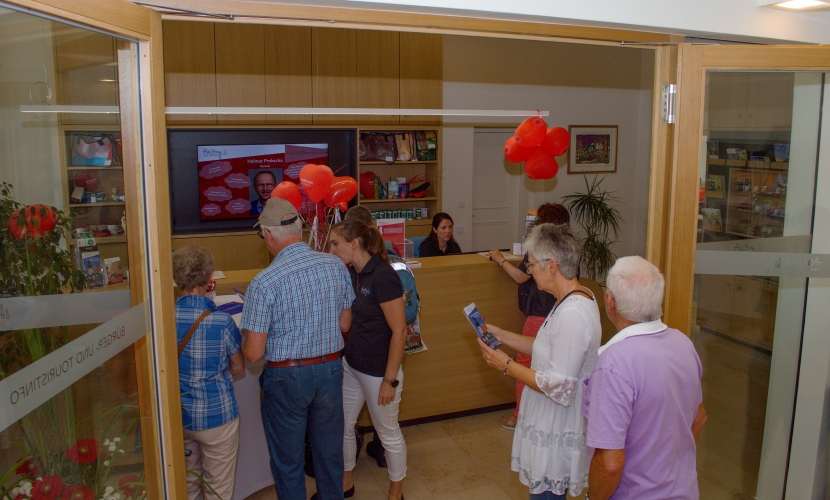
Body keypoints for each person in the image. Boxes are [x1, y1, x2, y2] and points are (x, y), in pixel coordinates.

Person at [240, 198, 355, 500]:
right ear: (299, 229)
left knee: (288, 463)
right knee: (329, 457)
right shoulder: (335, 265)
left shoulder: (264, 282)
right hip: (330, 371)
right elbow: (345, 324)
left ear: (268, 235)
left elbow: (252, 354)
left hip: (286, 378)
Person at [478, 223, 600, 499]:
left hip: (557, 427)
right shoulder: (565, 300)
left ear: (552, 265)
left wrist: (507, 366)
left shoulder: (572, 313)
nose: (529, 270)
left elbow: (560, 386)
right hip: (549, 420)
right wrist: (502, 335)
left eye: (532, 264)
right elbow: (545, 348)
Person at [583, 256, 707, 500]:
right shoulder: (683, 343)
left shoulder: (613, 363)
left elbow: (610, 464)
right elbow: (699, 418)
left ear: (610, 303)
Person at [328, 219, 408, 500]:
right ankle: (346, 483)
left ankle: (395, 493)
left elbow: (400, 331)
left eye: (336, 244)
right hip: (352, 365)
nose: (332, 249)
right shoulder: (353, 272)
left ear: (354, 244)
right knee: (344, 426)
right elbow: (348, 323)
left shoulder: (383, 276)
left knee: (388, 434)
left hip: (378, 372)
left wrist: (390, 380)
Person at [488, 203, 571, 431]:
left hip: (538, 316)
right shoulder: (570, 248)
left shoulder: (539, 248)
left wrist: (499, 258)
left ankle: (519, 417)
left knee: (525, 364)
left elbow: (519, 277)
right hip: (558, 313)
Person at [173, 245, 245, 500]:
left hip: (179, 417)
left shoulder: (163, 318)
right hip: (218, 418)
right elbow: (238, 367)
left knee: (188, 485)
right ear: (209, 278)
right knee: (218, 490)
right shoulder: (222, 321)